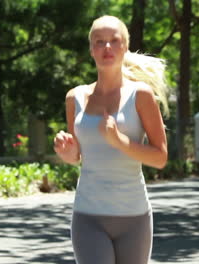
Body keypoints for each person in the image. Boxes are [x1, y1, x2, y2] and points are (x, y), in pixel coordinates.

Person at [53, 15, 169, 264]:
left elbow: (160, 157)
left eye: (114, 41)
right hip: (88, 216)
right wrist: (67, 153)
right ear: (91, 49)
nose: (107, 47)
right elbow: (79, 157)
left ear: (125, 47)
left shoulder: (141, 96)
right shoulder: (76, 98)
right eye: (99, 42)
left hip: (134, 218)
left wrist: (119, 141)